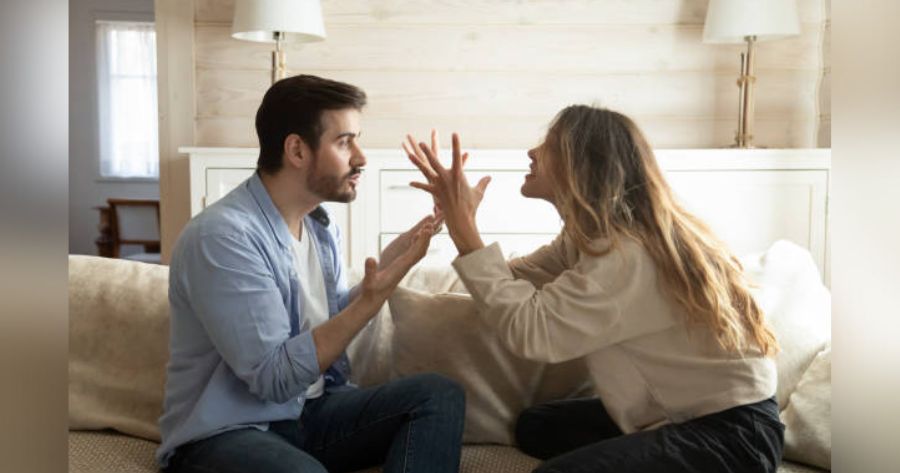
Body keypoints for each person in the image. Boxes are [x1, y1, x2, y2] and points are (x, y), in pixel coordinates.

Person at [403, 105, 784, 473]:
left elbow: (534, 332)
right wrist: (460, 221)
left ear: (582, 165)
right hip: (682, 413)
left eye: (549, 145)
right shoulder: (590, 238)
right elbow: (508, 281)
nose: (532, 152)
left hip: (733, 434)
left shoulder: (628, 255)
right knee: (536, 427)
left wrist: (465, 229)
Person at [157, 74, 465, 473]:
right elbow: (274, 380)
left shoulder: (320, 226)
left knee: (438, 395)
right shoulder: (222, 237)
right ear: (297, 150)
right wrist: (371, 301)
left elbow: (330, 323)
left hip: (309, 412)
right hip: (229, 431)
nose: (361, 157)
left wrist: (400, 258)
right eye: (345, 142)